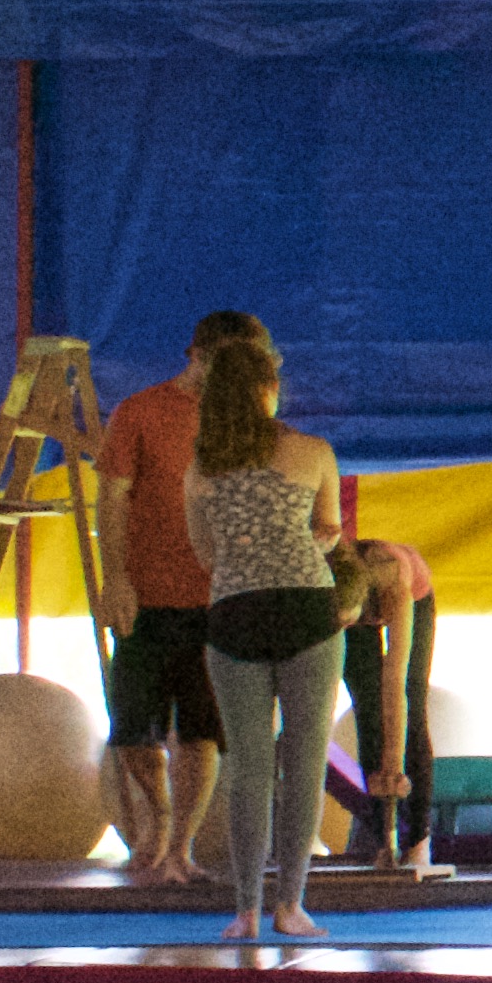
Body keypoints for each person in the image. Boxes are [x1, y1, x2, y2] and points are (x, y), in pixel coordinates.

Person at [179, 331, 349, 946]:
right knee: (303, 763)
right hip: (307, 607)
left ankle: (245, 910)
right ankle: (291, 906)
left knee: (247, 768)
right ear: (269, 389)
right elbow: (328, 528)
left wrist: (247, 555)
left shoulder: (200, 469)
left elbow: (205, 554)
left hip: (235, 612)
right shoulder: (312, 451)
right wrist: (299, 542)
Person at [94, 312, 253, 881]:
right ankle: (157, 819)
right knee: (134, 728)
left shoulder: (244, 418)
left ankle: (181, 844)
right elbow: (111, 499)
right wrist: (116, 579)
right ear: (197, 355)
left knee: (202, 730)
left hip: (218, 597)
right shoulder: (139, 412)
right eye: (227, 363)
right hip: (147, 594)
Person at [336, 532, 438, 872]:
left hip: (413, 594)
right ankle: (382, 839)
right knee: (367, 711)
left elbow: (396, 684)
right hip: (352, 594)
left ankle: (418, 839)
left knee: (412, 704)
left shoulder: (396, 587)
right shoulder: (330, 587)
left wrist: (394, 765)